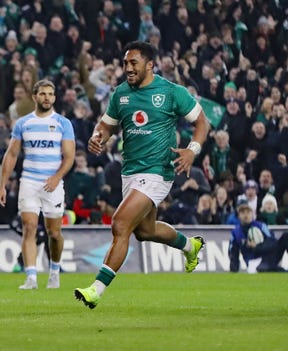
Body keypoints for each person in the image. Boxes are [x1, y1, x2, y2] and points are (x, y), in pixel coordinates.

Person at [74, 41, 211, 309]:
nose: (127, 68)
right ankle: (189, 246)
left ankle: (95, 290)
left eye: (133, 62)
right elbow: (106, 125)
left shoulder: (171, 92)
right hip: (131, 173)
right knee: (145, 231)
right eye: (125, 63)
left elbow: (202, 122)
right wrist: (97, 136)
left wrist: (192, 151)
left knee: (120, 224)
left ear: (150, 65)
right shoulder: (121, 94)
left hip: (158, 171)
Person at [0, 79, 76, 290]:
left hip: (53, 184)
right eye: (42, 94)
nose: (47, 97)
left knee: (54, 233)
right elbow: (11, 154)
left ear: (54, 97)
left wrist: (57, 177)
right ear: (34, 97)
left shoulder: (63, 123)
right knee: (29, 228)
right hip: (29, 181)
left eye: (50, 94)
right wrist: (2, 185)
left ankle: (55, 271)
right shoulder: (23, 123)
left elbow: (69, 157)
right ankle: (31, 276)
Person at [229, 200, 288, 273]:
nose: (246, 215)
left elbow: (273, 242)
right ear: (239, 216)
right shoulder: (236, 232)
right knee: (262, 269)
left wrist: (257, 246)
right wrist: (233, 270)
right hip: (253, 262)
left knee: (286, 236)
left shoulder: (261, 226)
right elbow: (233, 252)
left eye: (248, 212)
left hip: (268, 256)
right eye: (242, 213)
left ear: (252, 214)